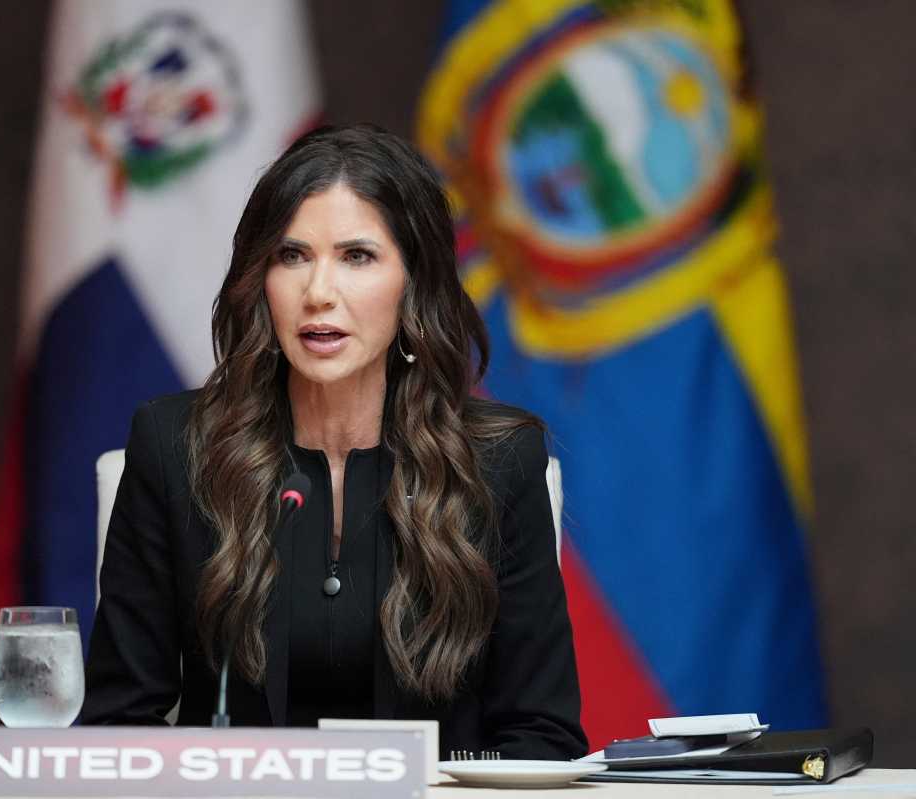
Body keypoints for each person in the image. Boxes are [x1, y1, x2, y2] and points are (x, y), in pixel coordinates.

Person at [81, 124, 587, 760]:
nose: (318, 293)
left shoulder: (496, 462)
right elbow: (118, 721)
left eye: (357, 257)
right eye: (292, 256)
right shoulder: (177, 447)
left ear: (414, 282)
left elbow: (541, 735)